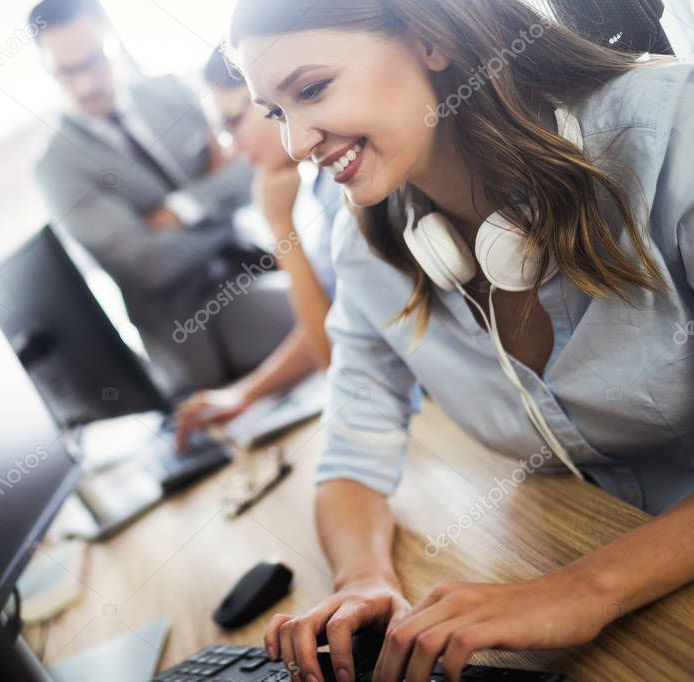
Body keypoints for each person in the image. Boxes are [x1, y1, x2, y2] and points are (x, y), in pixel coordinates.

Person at [228, 1, 694, 681]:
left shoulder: (670, 128)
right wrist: (362, 579)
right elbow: (352, 454)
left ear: (430, 40)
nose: (296, 142)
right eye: (275, 113)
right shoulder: (368, 248)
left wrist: (587, 588)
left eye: (311, 89)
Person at [29, 0, 293, 397]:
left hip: (263, 264)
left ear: (112, 40)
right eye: (67, 72)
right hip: (199, 328)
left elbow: (253, 164)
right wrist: (224, 202)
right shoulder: (56, 169)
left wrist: (184, 208)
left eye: (93, 61)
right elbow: (150, 266)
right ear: (45, 71)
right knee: (326, 305)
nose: (86, 84)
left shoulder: (169, 92)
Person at [174, 49, 346, 447]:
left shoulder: (349, 191)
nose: (232, 147)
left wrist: (281, 224)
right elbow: (336, 318)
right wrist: (245, 392)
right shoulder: (324, 185)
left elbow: (335, 356)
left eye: (235, 122)